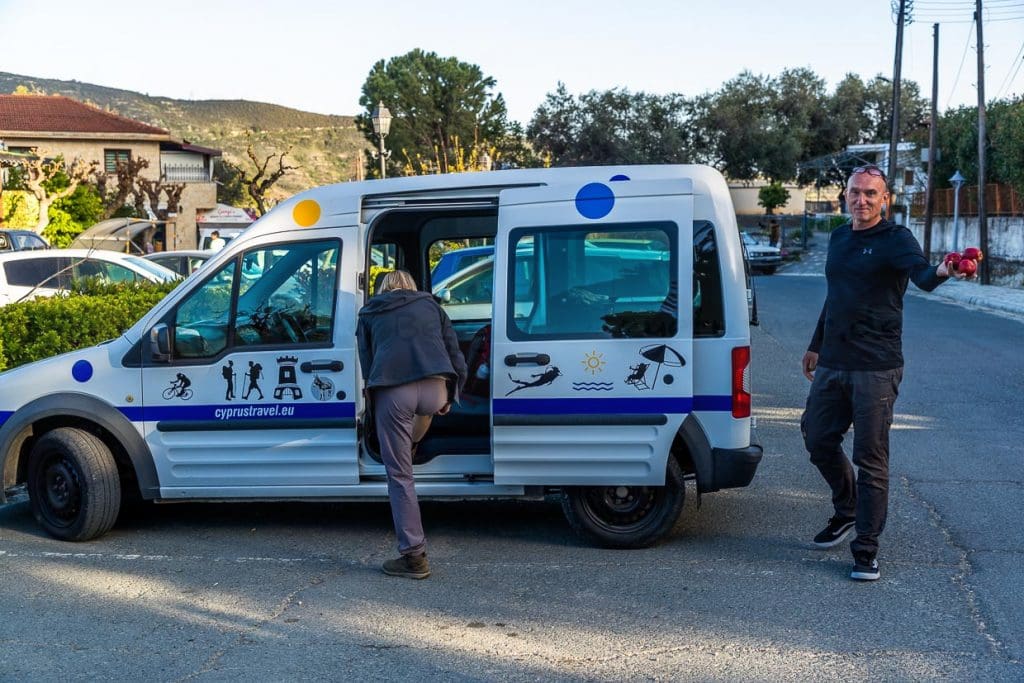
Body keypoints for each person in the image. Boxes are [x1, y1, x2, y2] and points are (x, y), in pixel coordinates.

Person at [801, 164, 967, 582]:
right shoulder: (839, 238)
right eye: (855, 193)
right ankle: (847, 509)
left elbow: (926, 278)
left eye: (871, 194)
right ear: (845, 196)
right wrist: (816, 343)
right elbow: (836, 296)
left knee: (869, 458)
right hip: (833, 361)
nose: (862, 201)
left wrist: (948, 270)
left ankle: (866, 549)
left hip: (875, 366)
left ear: (885, 200)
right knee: (817, 437)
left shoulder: (896, 239)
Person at [356, 270, 467, 579]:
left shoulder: (370, 312)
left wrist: (371, 405)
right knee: (422, 414)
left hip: (396, 391)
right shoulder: (432, 306)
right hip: (435, 388)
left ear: (383, 288)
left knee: (400, 476)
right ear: (413, 287)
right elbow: (455, 354)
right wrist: (451, 394)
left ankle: (414, 557)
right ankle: (413, 442)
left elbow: (368, 364)